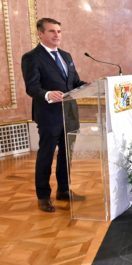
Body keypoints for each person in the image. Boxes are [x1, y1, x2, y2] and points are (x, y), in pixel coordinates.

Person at [21, 18, 87, 212]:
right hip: (49, 114)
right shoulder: (31, 57)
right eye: (51, 31)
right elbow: (32, 87)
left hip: (69, 114)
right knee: (46, 155)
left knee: (66, 155)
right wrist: (48, 94)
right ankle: (43, 196)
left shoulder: (66, 56)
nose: (57, 35)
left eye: (59, 31)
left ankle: (64, 190)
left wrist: (91, 85)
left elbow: (73, 82)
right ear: (40, 34)